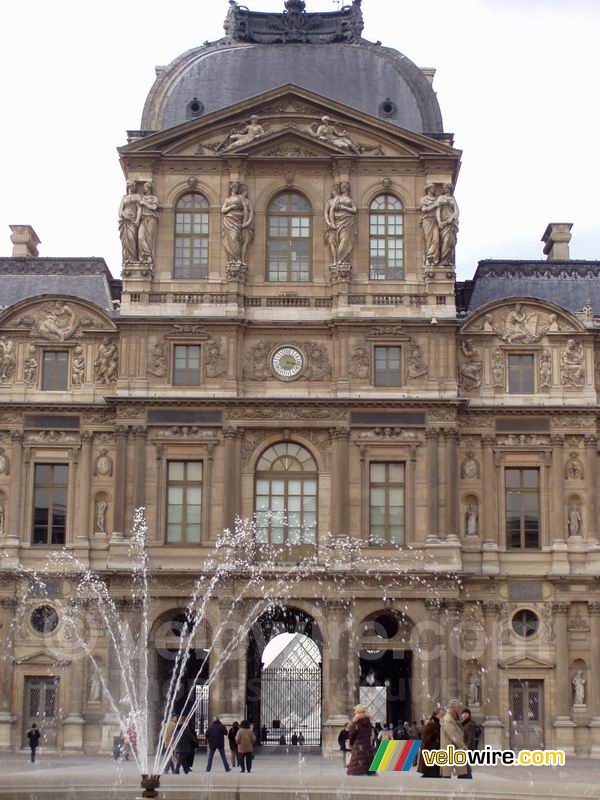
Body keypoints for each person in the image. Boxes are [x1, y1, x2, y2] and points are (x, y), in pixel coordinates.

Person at [441, 699, 471, 778]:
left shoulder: (453, 717)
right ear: (454, 708)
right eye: (459, 708)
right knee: (462, 774)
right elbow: (453, 734)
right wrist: (462, 745)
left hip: (455, 749)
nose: (460, 710)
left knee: (462, 773)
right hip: (452, 749)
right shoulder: (448, 718)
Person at [346, 704, 374, 776]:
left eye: (355, 711)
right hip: (367, 746)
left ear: (358, 712)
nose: (354, 712)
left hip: (358, 746)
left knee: (356, 767)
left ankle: (359, 772)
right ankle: (369, 771)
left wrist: (351, 743)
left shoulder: (356, 723)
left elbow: (352, 734)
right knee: (368, 762)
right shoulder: (368, 723)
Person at [417, 707, 445, 778]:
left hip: (434, 752)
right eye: (441, 715)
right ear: (436, 715)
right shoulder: (432, 724)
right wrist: (435, 744)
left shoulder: (437, 723)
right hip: (431, 752)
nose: (443, 716)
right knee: (431, 774)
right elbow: (426, 739)